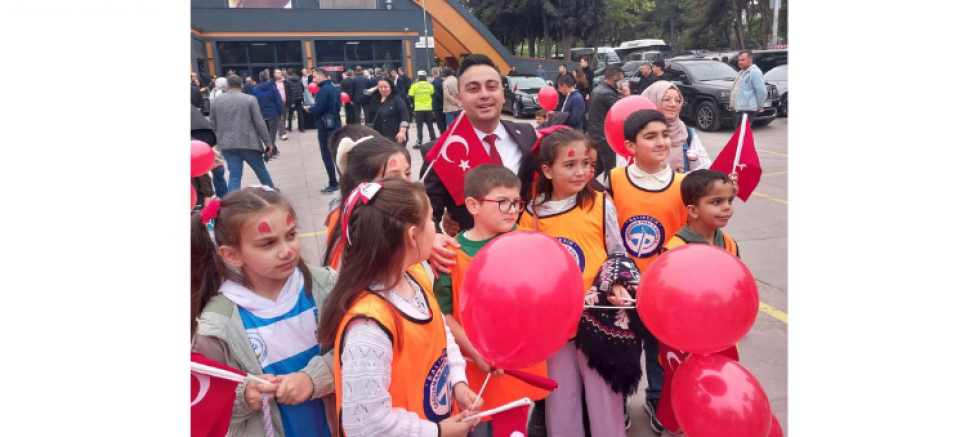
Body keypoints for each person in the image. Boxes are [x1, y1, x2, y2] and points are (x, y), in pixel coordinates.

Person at [317, 178, 483, 437]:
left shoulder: (414, 274)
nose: (436, 228)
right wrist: (438, 431)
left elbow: (441, 335)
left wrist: (457, 382)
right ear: (413, 236)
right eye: (431, 220)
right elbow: (365, 425)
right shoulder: (369, 325)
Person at [191, 187, 339, 437]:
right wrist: (244, 396)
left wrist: (315, 378)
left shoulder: (326, 287)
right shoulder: (217, 324)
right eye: (268, 243)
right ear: (231, 255)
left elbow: (358, 353)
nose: (287, 250)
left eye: (290, 235)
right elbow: (204, 397)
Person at [516, 127, 635, 437]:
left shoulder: (600, 202)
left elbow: (617, 252)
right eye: (570, 165)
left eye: (586, 163)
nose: (581, 172)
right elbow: (527, 270)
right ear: (547, 170)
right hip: (556, 325)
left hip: (599, 320)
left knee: (605, 399)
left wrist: (617, 283)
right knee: (561, 401)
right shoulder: (532, 214)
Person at [434, 164, 549, 437]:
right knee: (478, 427)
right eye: (502, 202)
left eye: (516, 202)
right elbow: (443, 314)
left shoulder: (525, 244)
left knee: (513, 427)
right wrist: (477, 351)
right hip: (474, 370)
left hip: (516, 365)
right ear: (473, 205)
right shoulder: (451, 255)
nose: (512, 210)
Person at [604, 109, 689, 434]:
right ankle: (620, 399)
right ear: (630, 145)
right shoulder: (613, 180)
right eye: (650, 137)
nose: (661, 142)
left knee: (659, 350)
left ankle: (656, 397)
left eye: (665, 135)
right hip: (623, 286)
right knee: (622, 349)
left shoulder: (683, 184)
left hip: (665, 287)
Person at [655, 169, 741, 437]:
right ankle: (676, 427)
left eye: (729, 200)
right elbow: (665, 300)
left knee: (719, 385)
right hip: (683, 339)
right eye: (716, 202)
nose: (726, 207)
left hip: (721, 336)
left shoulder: (729, 243)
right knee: (682, 385)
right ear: (692, 210)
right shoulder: (674, 249)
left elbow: (738, 288)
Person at [422, 54, 539, 235]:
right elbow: (426, 214)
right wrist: (436, 240)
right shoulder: (441, 152)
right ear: (459, 98)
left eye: (492, 87)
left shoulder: (527, 135)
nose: (484, 95)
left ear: (502, 94)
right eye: (473, 89)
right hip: (472, 250)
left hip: (524, 243)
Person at [322, 136, 413, 269]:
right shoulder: (366, 250)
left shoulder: (396, 224)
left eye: (408, 173)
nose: (407, 184)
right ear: (362, 188)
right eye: (394, 177)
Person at [208, 75, 275, 191]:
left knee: (234, 176)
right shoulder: (250, 99)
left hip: (228, 145)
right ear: (241, 86)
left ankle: (233, 201)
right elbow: (259, 123)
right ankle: (273, 194)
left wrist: (215, 141)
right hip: (250, 143)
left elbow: (213, 124)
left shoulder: (215, 101)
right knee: (261, 171)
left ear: (227, 86)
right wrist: (268, 142)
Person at [641, 81, 712, 174]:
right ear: (653, 101)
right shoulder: (639, 132)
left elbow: (706, 166)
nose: (673, 104)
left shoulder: (687, 133)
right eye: (666, 99)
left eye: (678, 100)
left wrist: (679, 178)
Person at [586, 65, 630, 182]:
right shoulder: (607, 94)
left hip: (594, 134)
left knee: (598, 167)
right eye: (621, 80)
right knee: (610, 168)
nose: (621, 83)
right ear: (615, 78)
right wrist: (626, 95)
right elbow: (623, 110)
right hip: (605, 137)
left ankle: (592, 187)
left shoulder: (596, 90)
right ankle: (610, 190)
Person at [305, 67, 341, 194]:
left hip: (325, 126)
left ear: (322, 76)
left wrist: (309, 109)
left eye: (315, 77)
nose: (313, 80)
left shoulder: (323, 90)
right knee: (337, 155)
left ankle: (333, 183)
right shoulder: (335, 89)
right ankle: (344, 179)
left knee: (327, 155)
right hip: (336, 124)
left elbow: (318, 109)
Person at [191, 103, 227, 200]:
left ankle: (210, 196)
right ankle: (217, 196)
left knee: (200, 168)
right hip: (206, 134)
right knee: (213, 169)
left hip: (199, 136)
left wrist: (207, 195)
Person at [367, 78, 411, 146]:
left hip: (394, 136)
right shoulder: (374, 99)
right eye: (380, 87)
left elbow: (405, 116)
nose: (383, 89)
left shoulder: (397, 100)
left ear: (391, 88)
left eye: (385, 87)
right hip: (377, 136)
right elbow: (362, 97)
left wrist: (402, 132)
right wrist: (374, 88)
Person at [731, 49, 767, 127]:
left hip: (747, 110)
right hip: (738, 109)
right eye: (739, 60)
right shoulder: (741, 72)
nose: (740, 62)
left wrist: (760, 106)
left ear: (750, 60)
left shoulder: (754, 72)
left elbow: (761, 91)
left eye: (743, 60)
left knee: (742, 132)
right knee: (739, 133)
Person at [254, 70, 284, 159]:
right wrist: (280, 112)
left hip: (261, 114)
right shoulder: (273, 87)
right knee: (272, 134)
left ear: (259, 79)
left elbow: (254, 102)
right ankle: (270, 153)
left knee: (266, 134)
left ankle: (274, 150)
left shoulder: (255, 89)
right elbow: (279, 101)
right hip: (273, 113)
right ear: (268, 78)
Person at [408, 70, 436, 149]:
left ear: (418, 77)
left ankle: (419, 142)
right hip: (428, 108)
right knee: (430, 125)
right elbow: (433, 95)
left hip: (419, 109)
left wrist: (413, 104)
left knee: (419, 126)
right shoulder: (430, 85)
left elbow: (410, 96)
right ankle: (433, 140)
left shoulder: (414, 85)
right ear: (426, 77)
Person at [286, 67, 306, 133]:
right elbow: (303, 89)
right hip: (299, 98)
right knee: (300, 113)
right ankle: (301, 128)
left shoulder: (288, 81)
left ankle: (289, 127)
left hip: (292, 99)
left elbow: (288, 91)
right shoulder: (299, 80)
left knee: (290, 113)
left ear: (289, 74)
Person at [275, 69, 291, 141]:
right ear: (274, 74)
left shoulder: (286, 82)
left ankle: (280, 132)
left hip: (285, 103)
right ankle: (283, 133)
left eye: (280, 73)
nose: (279, 74)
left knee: (284, 118)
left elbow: (290, 92)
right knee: (280, 118)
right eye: (277, 73)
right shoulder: (273, 83)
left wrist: (292, 101)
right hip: (277, 104)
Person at [432, 67, 447, 134]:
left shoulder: (433, 83)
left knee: (439, 122)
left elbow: (436, 94)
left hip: (437, 105)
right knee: (444, 121)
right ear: (439, 73)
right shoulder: (443, 81)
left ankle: (442, 134)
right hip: (444, 105)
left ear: (433, 74)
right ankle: (445, 132)